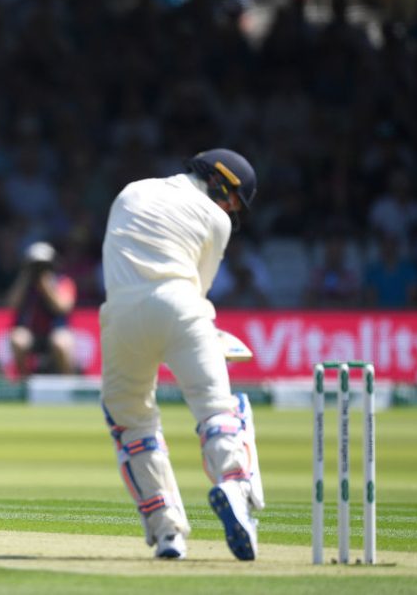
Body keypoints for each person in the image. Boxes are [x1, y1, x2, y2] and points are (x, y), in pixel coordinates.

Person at [99, 148, 263, 561]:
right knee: (216, 410)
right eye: (231, 198)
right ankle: (234, 486)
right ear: (220, 182)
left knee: (131, 421)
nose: (229, 209)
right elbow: (196, 289)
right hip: (180, 306)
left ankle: (167, 530)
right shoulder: (217, 220)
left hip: (119, 318)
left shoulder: (132, 190)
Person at [6, 241, 77, 377]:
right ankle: (23, 383)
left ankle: (68, 385)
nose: (40, 269)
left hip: (56, 331)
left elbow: (63, 307)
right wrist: (25, 277)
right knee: (17, 338)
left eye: (44, 265)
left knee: (62, 342)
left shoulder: (64, 281)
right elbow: (11, 305)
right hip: (31, 333)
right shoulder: (25, 284)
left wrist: (46, 286)